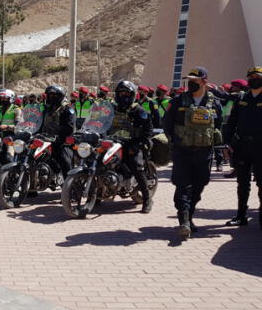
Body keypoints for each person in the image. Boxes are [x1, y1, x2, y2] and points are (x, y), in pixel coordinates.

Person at [163, 67, 222, 238]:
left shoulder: (214, 102)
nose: (191, 84)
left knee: (199, 184)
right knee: (183, 185)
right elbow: (167, 123)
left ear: (204, 82)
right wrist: (175, 141)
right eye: (189, 80)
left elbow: (216, 126)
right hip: (183, 151)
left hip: (204, 152)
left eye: (195, 81)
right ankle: (184, 221)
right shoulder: (177, 101)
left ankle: (189, 216)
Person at [223, 67, 262, 228]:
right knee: (242, 183)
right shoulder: (241, 98)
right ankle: (241, 215)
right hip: (242, 146)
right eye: (250, 77)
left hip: (261, 146)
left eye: (256, 76)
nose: (253, 79)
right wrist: (227, 143)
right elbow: (232, 122)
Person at [108, 81, 155, 213]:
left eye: (126, 93)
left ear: (133, 95)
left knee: (136, 167)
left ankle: (147, 199)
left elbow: (148, 130)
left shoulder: (138, 110)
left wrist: (138, 144)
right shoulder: (112, 108)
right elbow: (102, 121)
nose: (123, 95)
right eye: (121, 93)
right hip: (114, 142)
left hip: (132, 143)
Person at [40, 85, 75, 179]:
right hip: (45, 139)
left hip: (61, 140)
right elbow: (40, 124)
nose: (51, 97)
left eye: (54, 95)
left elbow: (70, 127)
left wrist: (58, 131)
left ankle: (69, 183)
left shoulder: (67, 109)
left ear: (60, 96)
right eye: (50, 95)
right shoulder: (46, 110)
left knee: (64, 159)